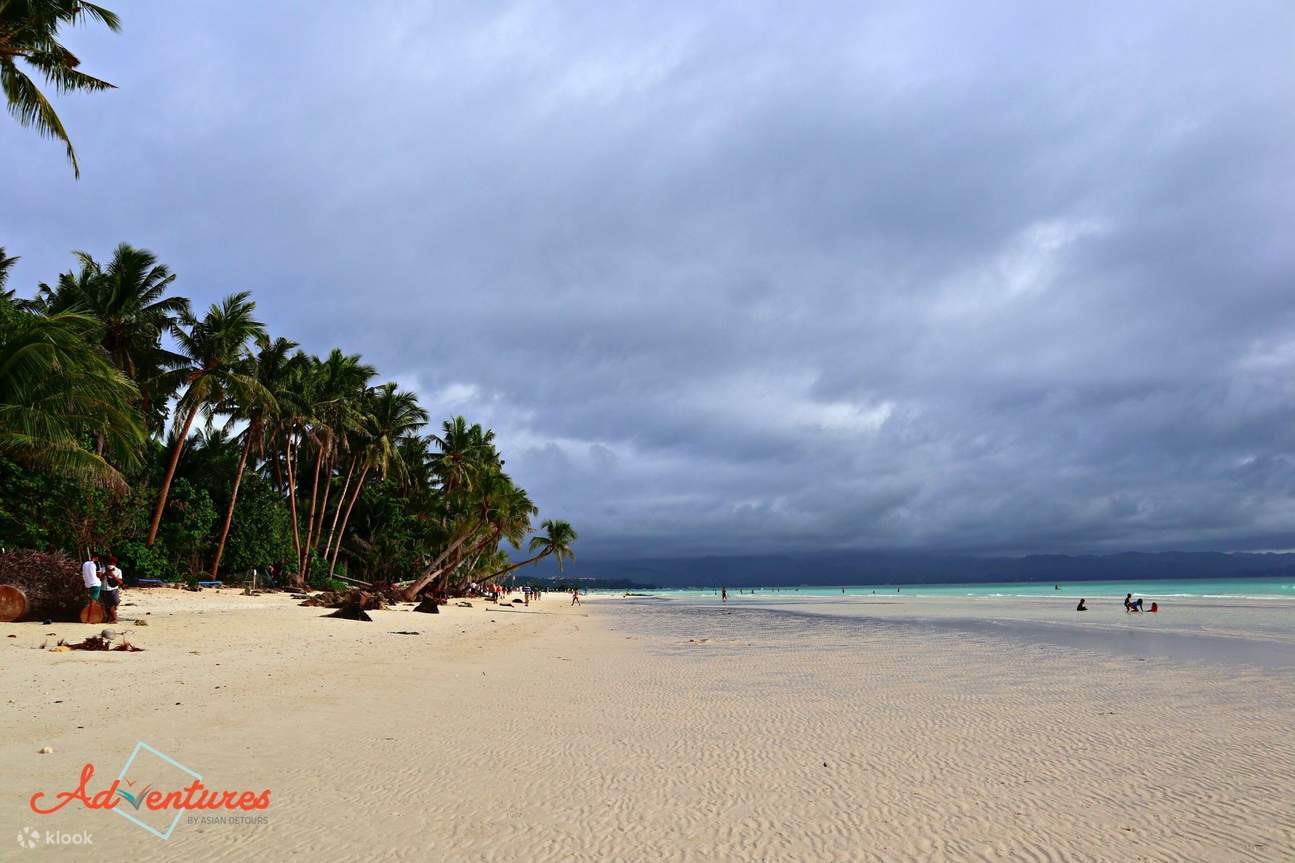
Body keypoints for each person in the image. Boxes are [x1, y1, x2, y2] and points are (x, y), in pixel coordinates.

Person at [101, 555, 124, 623]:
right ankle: (113, 618)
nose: (111, 565)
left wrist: (112, 576)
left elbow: (120, 582)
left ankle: (113, 617)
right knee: (108, 605)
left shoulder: (118, 570)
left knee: (114, 603)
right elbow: (99, 579)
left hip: (113, 589)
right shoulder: (103, 569)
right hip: (104, 589)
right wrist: (105, 574)